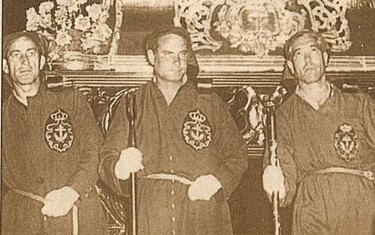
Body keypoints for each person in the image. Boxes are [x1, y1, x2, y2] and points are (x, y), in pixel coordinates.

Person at [99, 26, 248, 235]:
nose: (177, 62)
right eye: (168, 54)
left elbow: (237, 154)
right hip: (151, 212)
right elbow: (107, 156)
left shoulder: (210, 102)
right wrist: (119, 167)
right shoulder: (133, 102)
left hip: (200, 207)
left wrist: (216, 180)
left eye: (182, 54)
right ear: (152, 57)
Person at [262, 30, 375, 235]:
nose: (308, 59)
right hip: (312, 206)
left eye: (313, 50)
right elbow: (283, 180)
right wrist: (275, 182)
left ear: (325, 58)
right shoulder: (282, 115)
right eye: (299, 54)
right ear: (291, 67)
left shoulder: (359, 103)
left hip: (360, 203)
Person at [1, 30, 108, 235]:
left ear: (41, 61)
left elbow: (94, 150)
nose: (24, 61)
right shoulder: (4, 114)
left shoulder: (71, 100)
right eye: (16, 55)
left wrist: (71, 191)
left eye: (31, 53)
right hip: (23, 220)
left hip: (78, 211)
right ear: (5, 66)